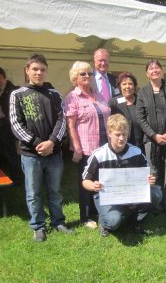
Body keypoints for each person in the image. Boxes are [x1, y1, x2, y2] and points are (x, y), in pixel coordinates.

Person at [10, 53, 72, 242]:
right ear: (27, 70)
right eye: (35, 69)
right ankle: (38, 226)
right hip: (31, 155)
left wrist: (52, 142)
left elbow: (62, 120)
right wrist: (38, 144)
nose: (39, 73)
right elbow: (16, 124)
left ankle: (58, 222)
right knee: (34, 193)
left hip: (53, 153)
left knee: (55, 191)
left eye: (42, 70)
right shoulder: (17, 94)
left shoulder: (54, 94)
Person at [82, 114, 163, 237]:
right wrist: (93, 186)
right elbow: (85, 181)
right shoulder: (99, 155)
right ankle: (105, 222)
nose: (121, 138)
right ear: (109, 134)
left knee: (156, 194)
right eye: (117, 134)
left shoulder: (136, 151)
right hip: (106, 195)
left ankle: (135, 220)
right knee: (113, 222)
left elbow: (146, 173)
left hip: (131, 192)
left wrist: (149, 179)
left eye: (124, 134)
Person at [64, 61, 111, 229]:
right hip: (86, 148)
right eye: (82, 74)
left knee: (101, 180)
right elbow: (70, 125)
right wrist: (76, 147)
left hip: (104, 147)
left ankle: (98, 211)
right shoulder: (72, 97)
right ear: (75, 78)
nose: (87, 77)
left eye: (89, 74)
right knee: (85, 182)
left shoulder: (99, 95)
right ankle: (85, 216)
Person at [136, 59, 166, 219]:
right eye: (151, 68)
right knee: (154, 171)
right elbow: (140, 117)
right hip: (151, 140)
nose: (154, 70)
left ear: (161, 71)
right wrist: (154, 135)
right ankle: (155, 205)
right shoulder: (143, 92)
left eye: (157, 68)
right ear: (147, 73)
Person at [0, 66, 22, 184]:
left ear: (0, 76)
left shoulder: (10, 90)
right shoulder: (1, 90)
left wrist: (9, 126)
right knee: (8, 152)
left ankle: (16, 177)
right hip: (2, 124)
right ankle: (14, 174)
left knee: (12, 152)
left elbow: (12, 112)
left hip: (7, 125)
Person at [109, 72, 143, 152]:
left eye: (130, 84)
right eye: (124, 84)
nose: (127, 86)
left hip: (140, 144)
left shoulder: (141, 101)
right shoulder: (113, 103)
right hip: (120, 144)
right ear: (120, 86)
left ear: (134, 86)